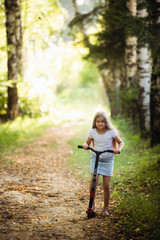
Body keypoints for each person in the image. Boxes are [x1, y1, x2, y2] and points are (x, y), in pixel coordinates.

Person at [82, 111, 124, 216]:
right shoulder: (92, 132)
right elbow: (87, 142)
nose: (100, 123)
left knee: (106, 185)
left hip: (108, 160)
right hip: (95, 158)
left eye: (102, 121)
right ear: (95, 122)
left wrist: (118, 149)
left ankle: (105, 208)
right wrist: (85, 145)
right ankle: (92, 204)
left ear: (106, 122)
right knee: (93, 181)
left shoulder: (111, 132)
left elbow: (121, 142)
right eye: (98, 121)